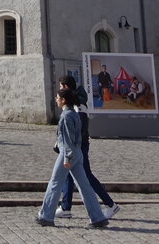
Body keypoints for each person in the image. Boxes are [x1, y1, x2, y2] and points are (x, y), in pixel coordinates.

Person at [35, 88, 108, 228]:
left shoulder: (66, 116)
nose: (56, 100)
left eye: (57, 98)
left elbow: (68, 140)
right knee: (84, 186)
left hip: (68, 153)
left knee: (55, 183)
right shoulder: (75, 113)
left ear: (63, 100)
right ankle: (98, 217)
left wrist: (67, 159)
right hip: (78, 153)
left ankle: (46, 216)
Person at [56, 76, 118, 222]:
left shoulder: (79, 103)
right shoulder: (75, 101)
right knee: (68, 175)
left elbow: (81, 127)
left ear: (65, 87)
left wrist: (73, 144)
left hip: (79, 145)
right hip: (75, 145)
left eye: (60, 86)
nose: (59, 90)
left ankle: (110, 204)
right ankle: (66, 207)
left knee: (86, 176)